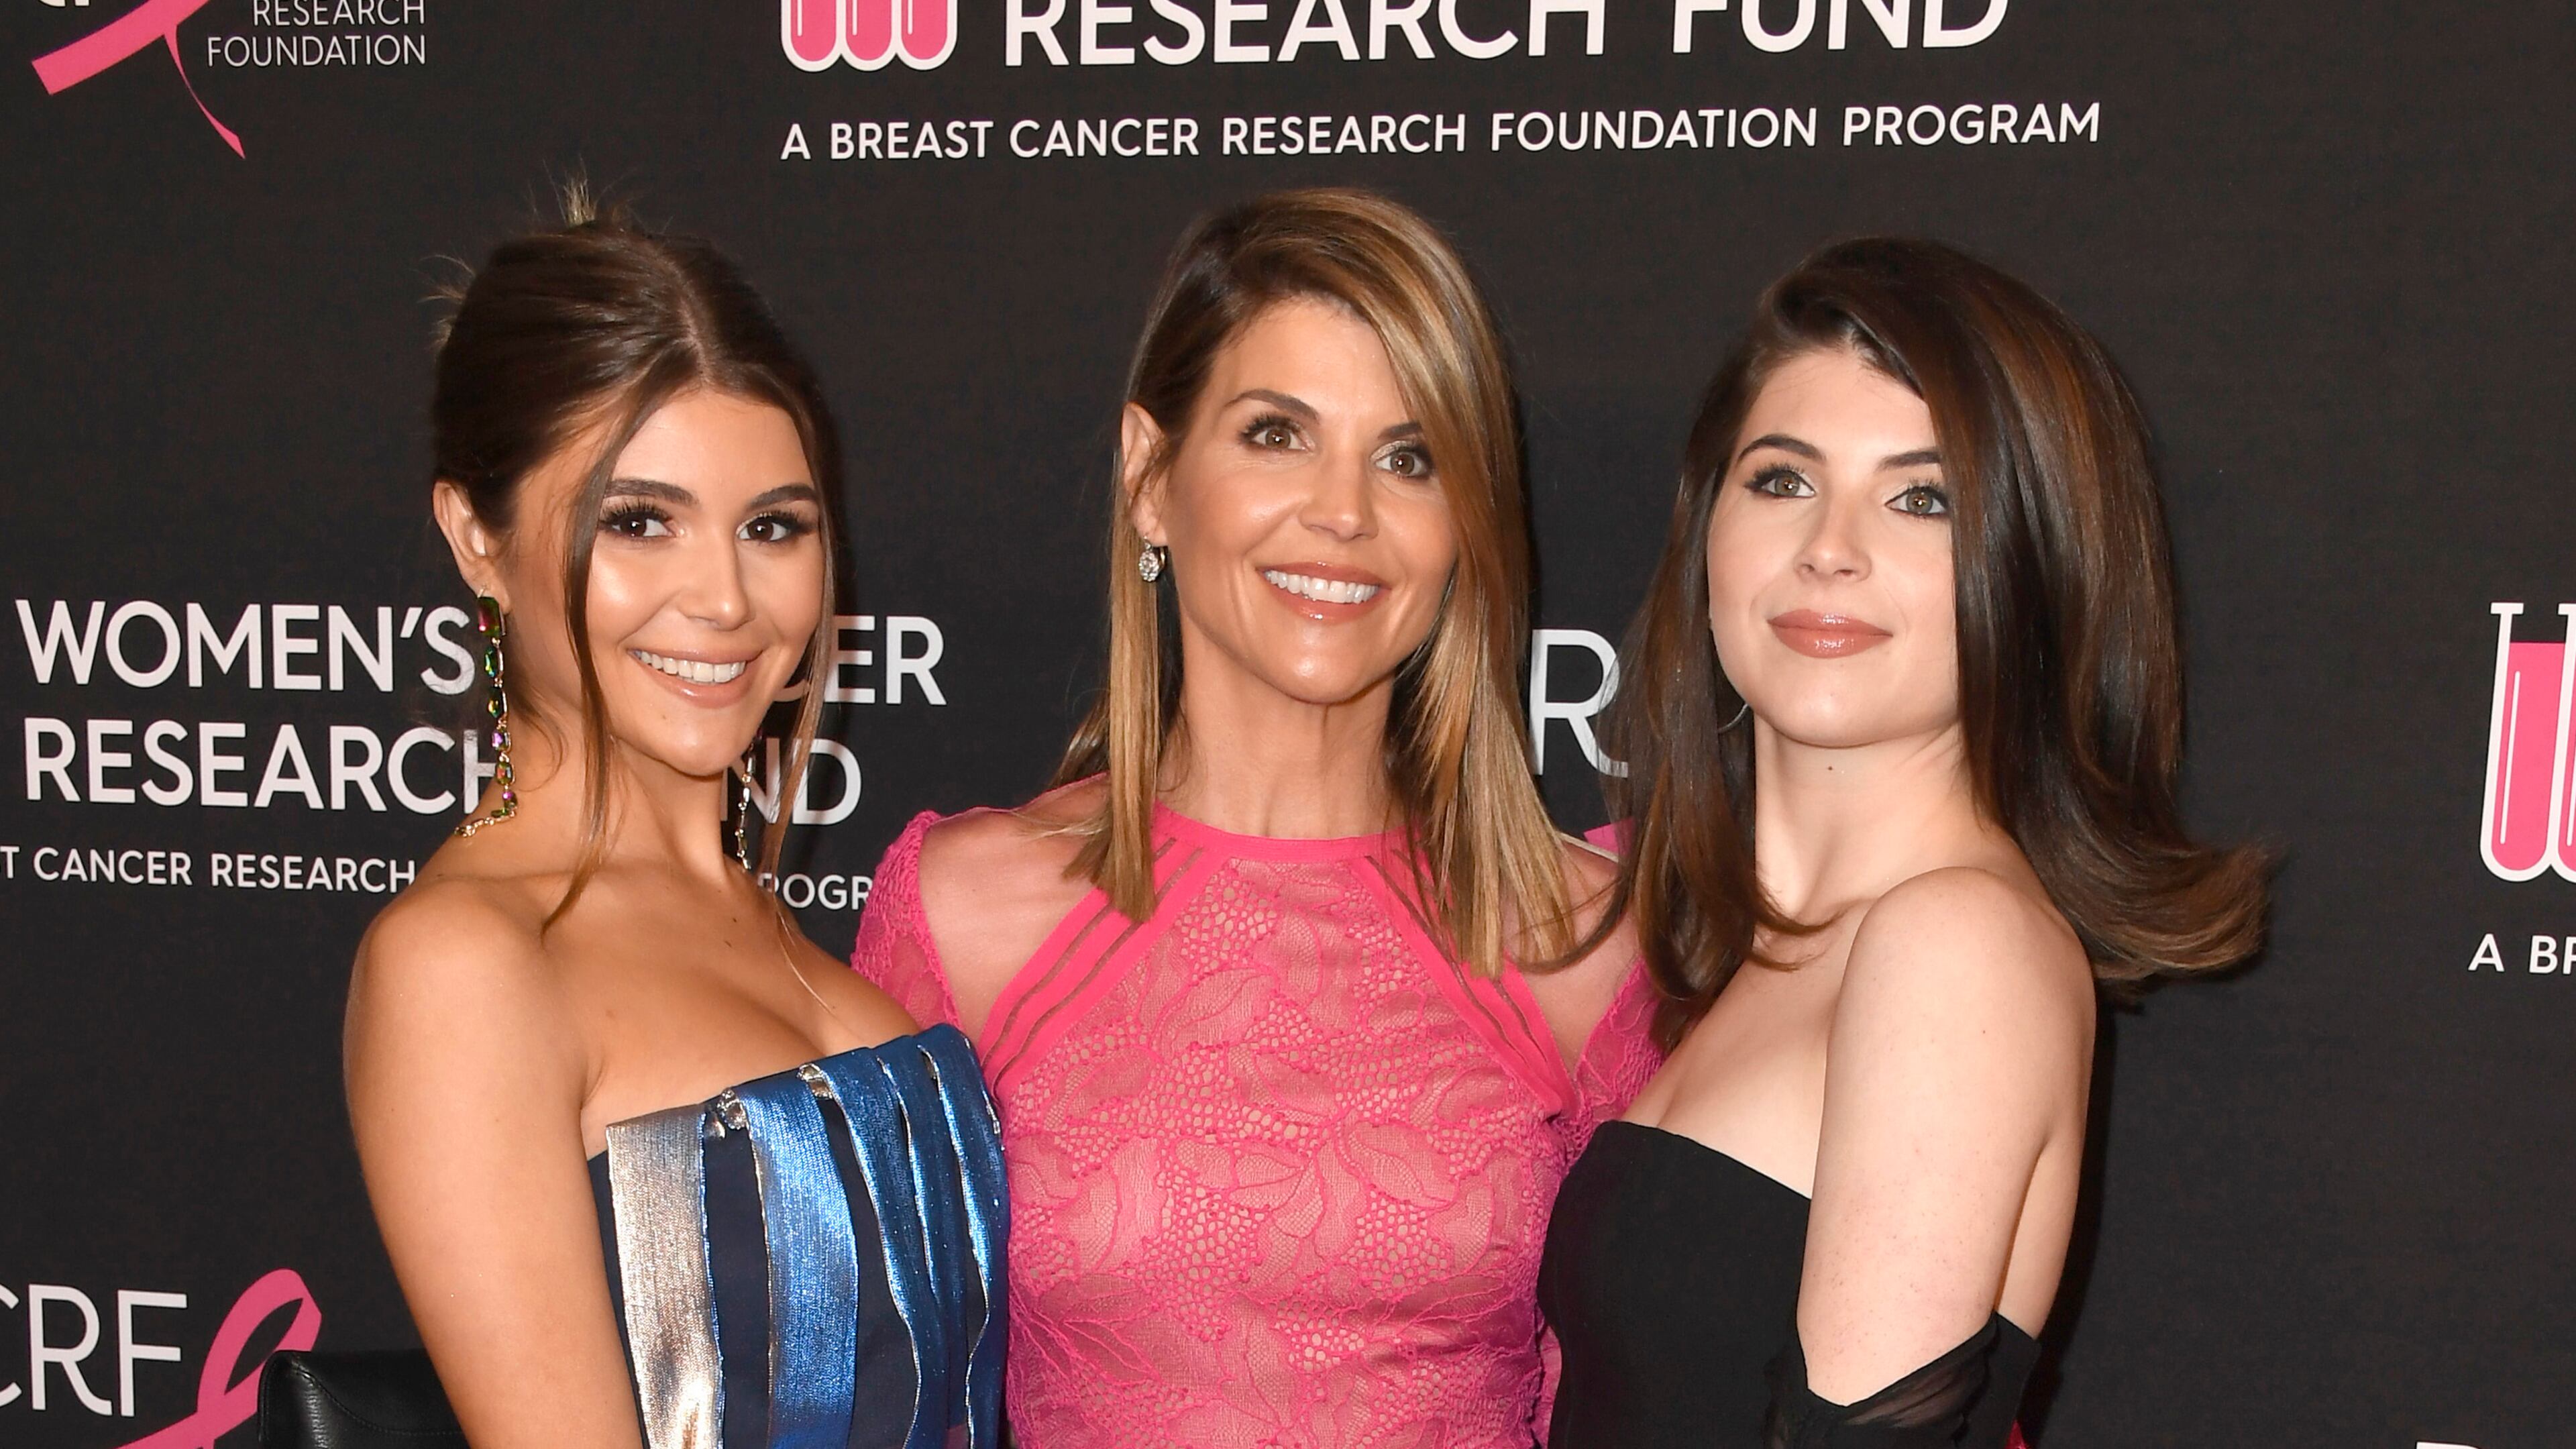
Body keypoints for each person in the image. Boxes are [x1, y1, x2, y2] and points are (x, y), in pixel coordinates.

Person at [852, 188, 1658, 1447]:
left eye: (1410, 457)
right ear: (1151, 476)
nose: (1344, 512)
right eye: (1277, 434)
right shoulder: (965, 914)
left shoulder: (1583, 939)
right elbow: (883, 1390)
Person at [1536, 238, 2269, 1446]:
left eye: (1923, 499)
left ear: (2030, 572)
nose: (1831, 545)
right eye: (1781, 479)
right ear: (1708, 526)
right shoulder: (1743, 955)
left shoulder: (1953, 942)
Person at [343, 194, 1006, 1449]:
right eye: (640, 521)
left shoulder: (761, 916)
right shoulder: (469, 964)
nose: (723, 599)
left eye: (773, 528)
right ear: (475, 538)